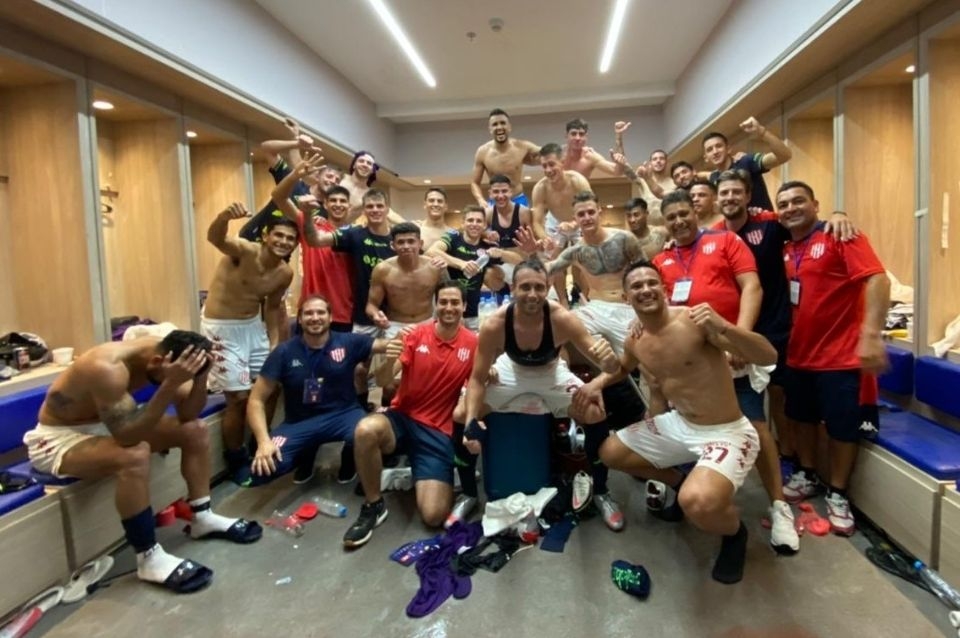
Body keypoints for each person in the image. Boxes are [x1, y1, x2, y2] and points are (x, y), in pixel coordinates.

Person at [573, 260, 775, 584]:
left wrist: (725, 326)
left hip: (727, 431)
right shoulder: (636, 338)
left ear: (664, 289)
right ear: (626, 298)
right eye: (636, 286)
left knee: (698, 502)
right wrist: (595, 384)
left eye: (651, 283)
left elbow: (768, 356)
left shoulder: (695, 321)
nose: (645, 289)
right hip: (681, 423)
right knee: (610, 452)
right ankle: (679, 482)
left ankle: (734, 533)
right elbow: (624, 367)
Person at [22, 331, 261, 593]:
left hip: (112, 421)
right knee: (134, 454)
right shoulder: (106, 367)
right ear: (158, 361)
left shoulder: (168, 354)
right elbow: (127, 437)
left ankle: (202, 518)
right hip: (59, 437)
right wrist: (169, 384)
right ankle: (148, 557)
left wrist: (201, 376)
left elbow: (189, 414)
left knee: (195, 430)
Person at [712, 170, 858, 493]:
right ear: (717, 199)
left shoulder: (769, 224)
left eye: (736, 192)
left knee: (779, 397)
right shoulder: (714, 234)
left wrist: (837, 214)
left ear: (748, 196)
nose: (730, 197)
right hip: (733, 328)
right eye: (724, 193)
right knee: (738, 396)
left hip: (775, 327)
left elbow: (803, 221)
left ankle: (787, 456)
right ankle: (739, 456)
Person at [514, 191, 646, 530]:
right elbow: (545, 271)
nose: (586, 218)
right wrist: (530, 255)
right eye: (580, 214)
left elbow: (646, 271)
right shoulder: (576, 250)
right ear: (575, 218)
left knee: (646, 367)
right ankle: (560, 378)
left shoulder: (624, 239)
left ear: (599, 211)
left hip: (627, 309)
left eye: (590, 212)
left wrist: (643, 310)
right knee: (562, 325)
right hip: (596, 307)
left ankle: (647, 445)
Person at [454, 259, 620, 526]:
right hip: (511, 371)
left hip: (550, 373)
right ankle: (468, 493)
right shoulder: (495, 324)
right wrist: (472, 423)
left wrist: (605, 371)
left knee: (594, 412)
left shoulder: (562, 319)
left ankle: (601, 491)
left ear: (548, 287)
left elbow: (609, 365)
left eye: (539, 287)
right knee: (461, 414)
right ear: (512, 288)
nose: (532, 294)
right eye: (525, 287)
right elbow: (476, 378)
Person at [776, 181, 889, 536]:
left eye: (798, 201)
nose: (790, 208)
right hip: (799, 356)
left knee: (842, 430)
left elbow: (878, 280)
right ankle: (808, 474)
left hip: (840, 358)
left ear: (816, 204)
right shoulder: (786, 248)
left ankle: (838, 493)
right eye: (783, 204)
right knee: (801, 420)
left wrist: (871, 334)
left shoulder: (840, 235)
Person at [343, 282, 478, 548]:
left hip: (438, 431)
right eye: (443, 302)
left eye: (455, 302)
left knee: (433, 516)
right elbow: (384, 380)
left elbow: (477, 385)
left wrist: (488, 374)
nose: (448, 307)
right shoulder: (415, 335)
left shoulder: (473, 343)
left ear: (464, 306)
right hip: (403, 419)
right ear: (435, 305)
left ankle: (411, 472)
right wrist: (387, 358)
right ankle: (374, 504)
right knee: (365, 430)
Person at [236, 295, 391, 486]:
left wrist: (408, 335)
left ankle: (349, 461)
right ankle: (304, 457)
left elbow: (387, 345)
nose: (315, 317)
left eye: (320, 312)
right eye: (308, 313)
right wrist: (263, 442)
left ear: (330, 317)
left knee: (367, 433)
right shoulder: (283, 352)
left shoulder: (348, 341)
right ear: (300, 319)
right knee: (259, 473)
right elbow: (256, 400)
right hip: (299, 422)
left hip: (344, 415)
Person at [201, 202, 296, 476]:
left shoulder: (284, 273)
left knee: (272, 387)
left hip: (253, 327)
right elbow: (215, 238)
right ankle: (235, 458)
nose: (283, 242)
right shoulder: (244, 250)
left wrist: (274, 342)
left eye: (290, 239)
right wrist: (224, 216)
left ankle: (260, 444)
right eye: (278, 235)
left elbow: (273, 308)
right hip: (221, 330)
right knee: (238, 398)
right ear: (266, 235)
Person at [427, 206, 516, 331]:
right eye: (470, 220)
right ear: (463, 223)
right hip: (447, 312)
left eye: (479, 221)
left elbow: (520, 260)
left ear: (484, 225)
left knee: (492, 272)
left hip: (474, 314)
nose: (474, 224)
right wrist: (461, 264)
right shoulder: (453, 237)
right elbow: (431, 251)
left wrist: (501, 253)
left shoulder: (487, 246)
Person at [703, 116, 792, 210]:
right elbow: (701, 175)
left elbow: (784, 156)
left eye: (719, 146)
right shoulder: (714, 177)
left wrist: (762, 132)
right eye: (709, 150)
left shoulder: (746, 162)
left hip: (763, 218)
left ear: (728, 149)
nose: (715, 152)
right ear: (706, 158)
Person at [470, 108, 541, 207]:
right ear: (490, 129)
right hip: (496, 201)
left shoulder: (522, 146)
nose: (499, 127)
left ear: (509, 127)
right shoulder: (482, 152)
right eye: (495, 124)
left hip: (518, 200)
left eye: (503, 123)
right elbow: (474, 183)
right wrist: (481, 200)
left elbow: (547, 152)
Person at [486, 175, 533, 285]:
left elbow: (532, 242)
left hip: (520, 262)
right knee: (488, 274)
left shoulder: (523, 212)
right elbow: (480, 235)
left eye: (504, 191)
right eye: (496, 192)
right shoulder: (488, 213)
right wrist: (487, 234)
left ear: (511, 192)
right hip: (500, 264)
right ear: (490, 194)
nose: (500, 196)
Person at [560, 118, 627, 179]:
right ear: (566, 135)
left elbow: (617, 171)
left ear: (586, 137)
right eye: (573, 134)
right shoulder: (557, 155)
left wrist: (619, 136)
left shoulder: (590, 156)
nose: (577, 138)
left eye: (581, 134)